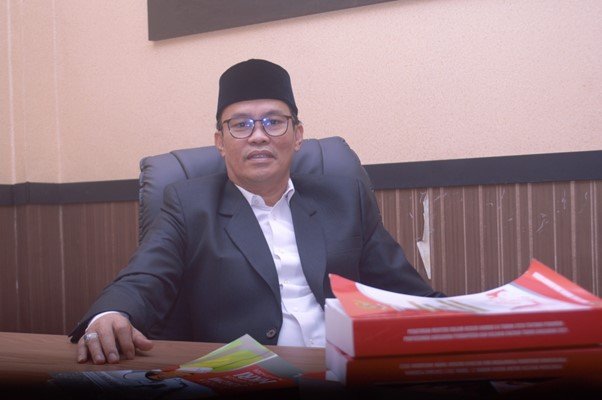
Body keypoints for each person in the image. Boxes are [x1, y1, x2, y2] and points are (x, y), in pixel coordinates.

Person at [69, 59, 443, 365]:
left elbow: (406, 293)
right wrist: (111, 314)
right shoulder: (189, 205)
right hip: (244, 378)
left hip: (346, 371)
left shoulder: (344, 198)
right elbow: (144, 277)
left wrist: (465, 323)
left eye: (274, 121)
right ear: (220, 142)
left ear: (298, 135)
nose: (259, 135)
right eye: (241, 125)